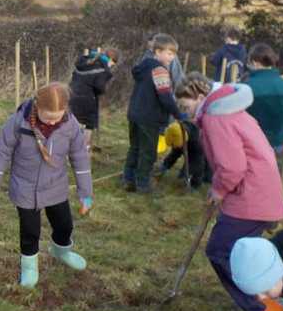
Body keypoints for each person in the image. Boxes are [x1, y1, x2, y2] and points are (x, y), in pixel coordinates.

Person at [175, 72, 283, 311]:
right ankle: (270, 296)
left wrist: (218, 191)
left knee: (220, 251)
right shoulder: (229, 108)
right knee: (245, 252)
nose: (185, 113)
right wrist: (219, 188)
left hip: (251, 196)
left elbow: (233, 166)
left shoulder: (216, 116)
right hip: (259, 191)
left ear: (200, 96)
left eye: (186, 106)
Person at [0, 82, 94, 287]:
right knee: (30, 231)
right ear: (37, 106)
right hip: (24, 187)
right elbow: (0, 153)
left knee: (65, 225)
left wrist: (85, 192)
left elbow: (80, 157)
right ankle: (29, 266)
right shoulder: (18, 122)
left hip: (55, 186)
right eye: (47, 117)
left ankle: (61, 251)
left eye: (57, 117)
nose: (52, 122)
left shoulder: (71, 125)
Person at [123, 34, 183, 195]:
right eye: (170, 53)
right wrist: (178, 114)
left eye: (174, 54)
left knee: (135, 148)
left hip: (135, 114)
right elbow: (165, 97)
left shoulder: (144, 66)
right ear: (157, 51)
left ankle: (128, 179)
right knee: (148, 151)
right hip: (149, 117)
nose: (172, 57)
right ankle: (143, 184)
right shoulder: (160, 70)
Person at [243, 44, 283, 174]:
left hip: (252, 144)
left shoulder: (246, 87)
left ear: (255, 63)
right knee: (275, 178)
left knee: (252, 179)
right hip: (279, 142)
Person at [69, 48, 119, 151]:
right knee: (89, 123)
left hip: (73, 94)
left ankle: (70, 146)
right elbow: (99, 86)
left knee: (74, 121)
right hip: (88, 97)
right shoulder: (101, 66)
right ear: (111, 59)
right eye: (113, 64)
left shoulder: (84, 61)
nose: (112, 67)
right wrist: (107, 75)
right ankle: (86, 149)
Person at [156, 119, 211, 191]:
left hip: (207, 152)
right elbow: (175, 153)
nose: (175, 147)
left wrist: (194, 184)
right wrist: (165, 165)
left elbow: (199, 163)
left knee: (208, 178)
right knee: (182, 178)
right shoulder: (179, 134)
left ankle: (205, 179)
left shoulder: (196, 141)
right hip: (191, 152)